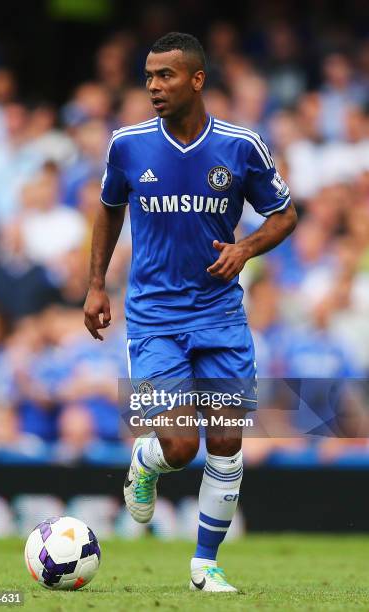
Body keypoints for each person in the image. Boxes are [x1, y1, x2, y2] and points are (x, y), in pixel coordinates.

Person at [84, 32, 297, 593]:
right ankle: (147, 462)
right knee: (181, 447)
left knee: (226, 442)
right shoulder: (127, 145)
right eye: (149, 76)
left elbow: (284, 214)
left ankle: (205, 565)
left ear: (197, 79)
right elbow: (108, 212)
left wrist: (245, 248)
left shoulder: (241, 145)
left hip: (221, 317)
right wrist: (95, 286)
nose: (153, 86)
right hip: (154, 318)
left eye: (165, 76)